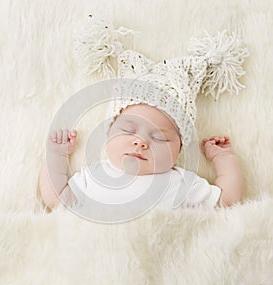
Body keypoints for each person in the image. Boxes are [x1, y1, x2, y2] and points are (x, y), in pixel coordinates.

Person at [39, 29, 248, 212]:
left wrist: (223, 159)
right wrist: (57, 155)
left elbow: (226, 201)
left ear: (179, 150)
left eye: (159, 137)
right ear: (108, 133)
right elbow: (57, 200)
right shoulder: (96, 176)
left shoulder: (181, 183)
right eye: (128, 130)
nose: (140, 142)